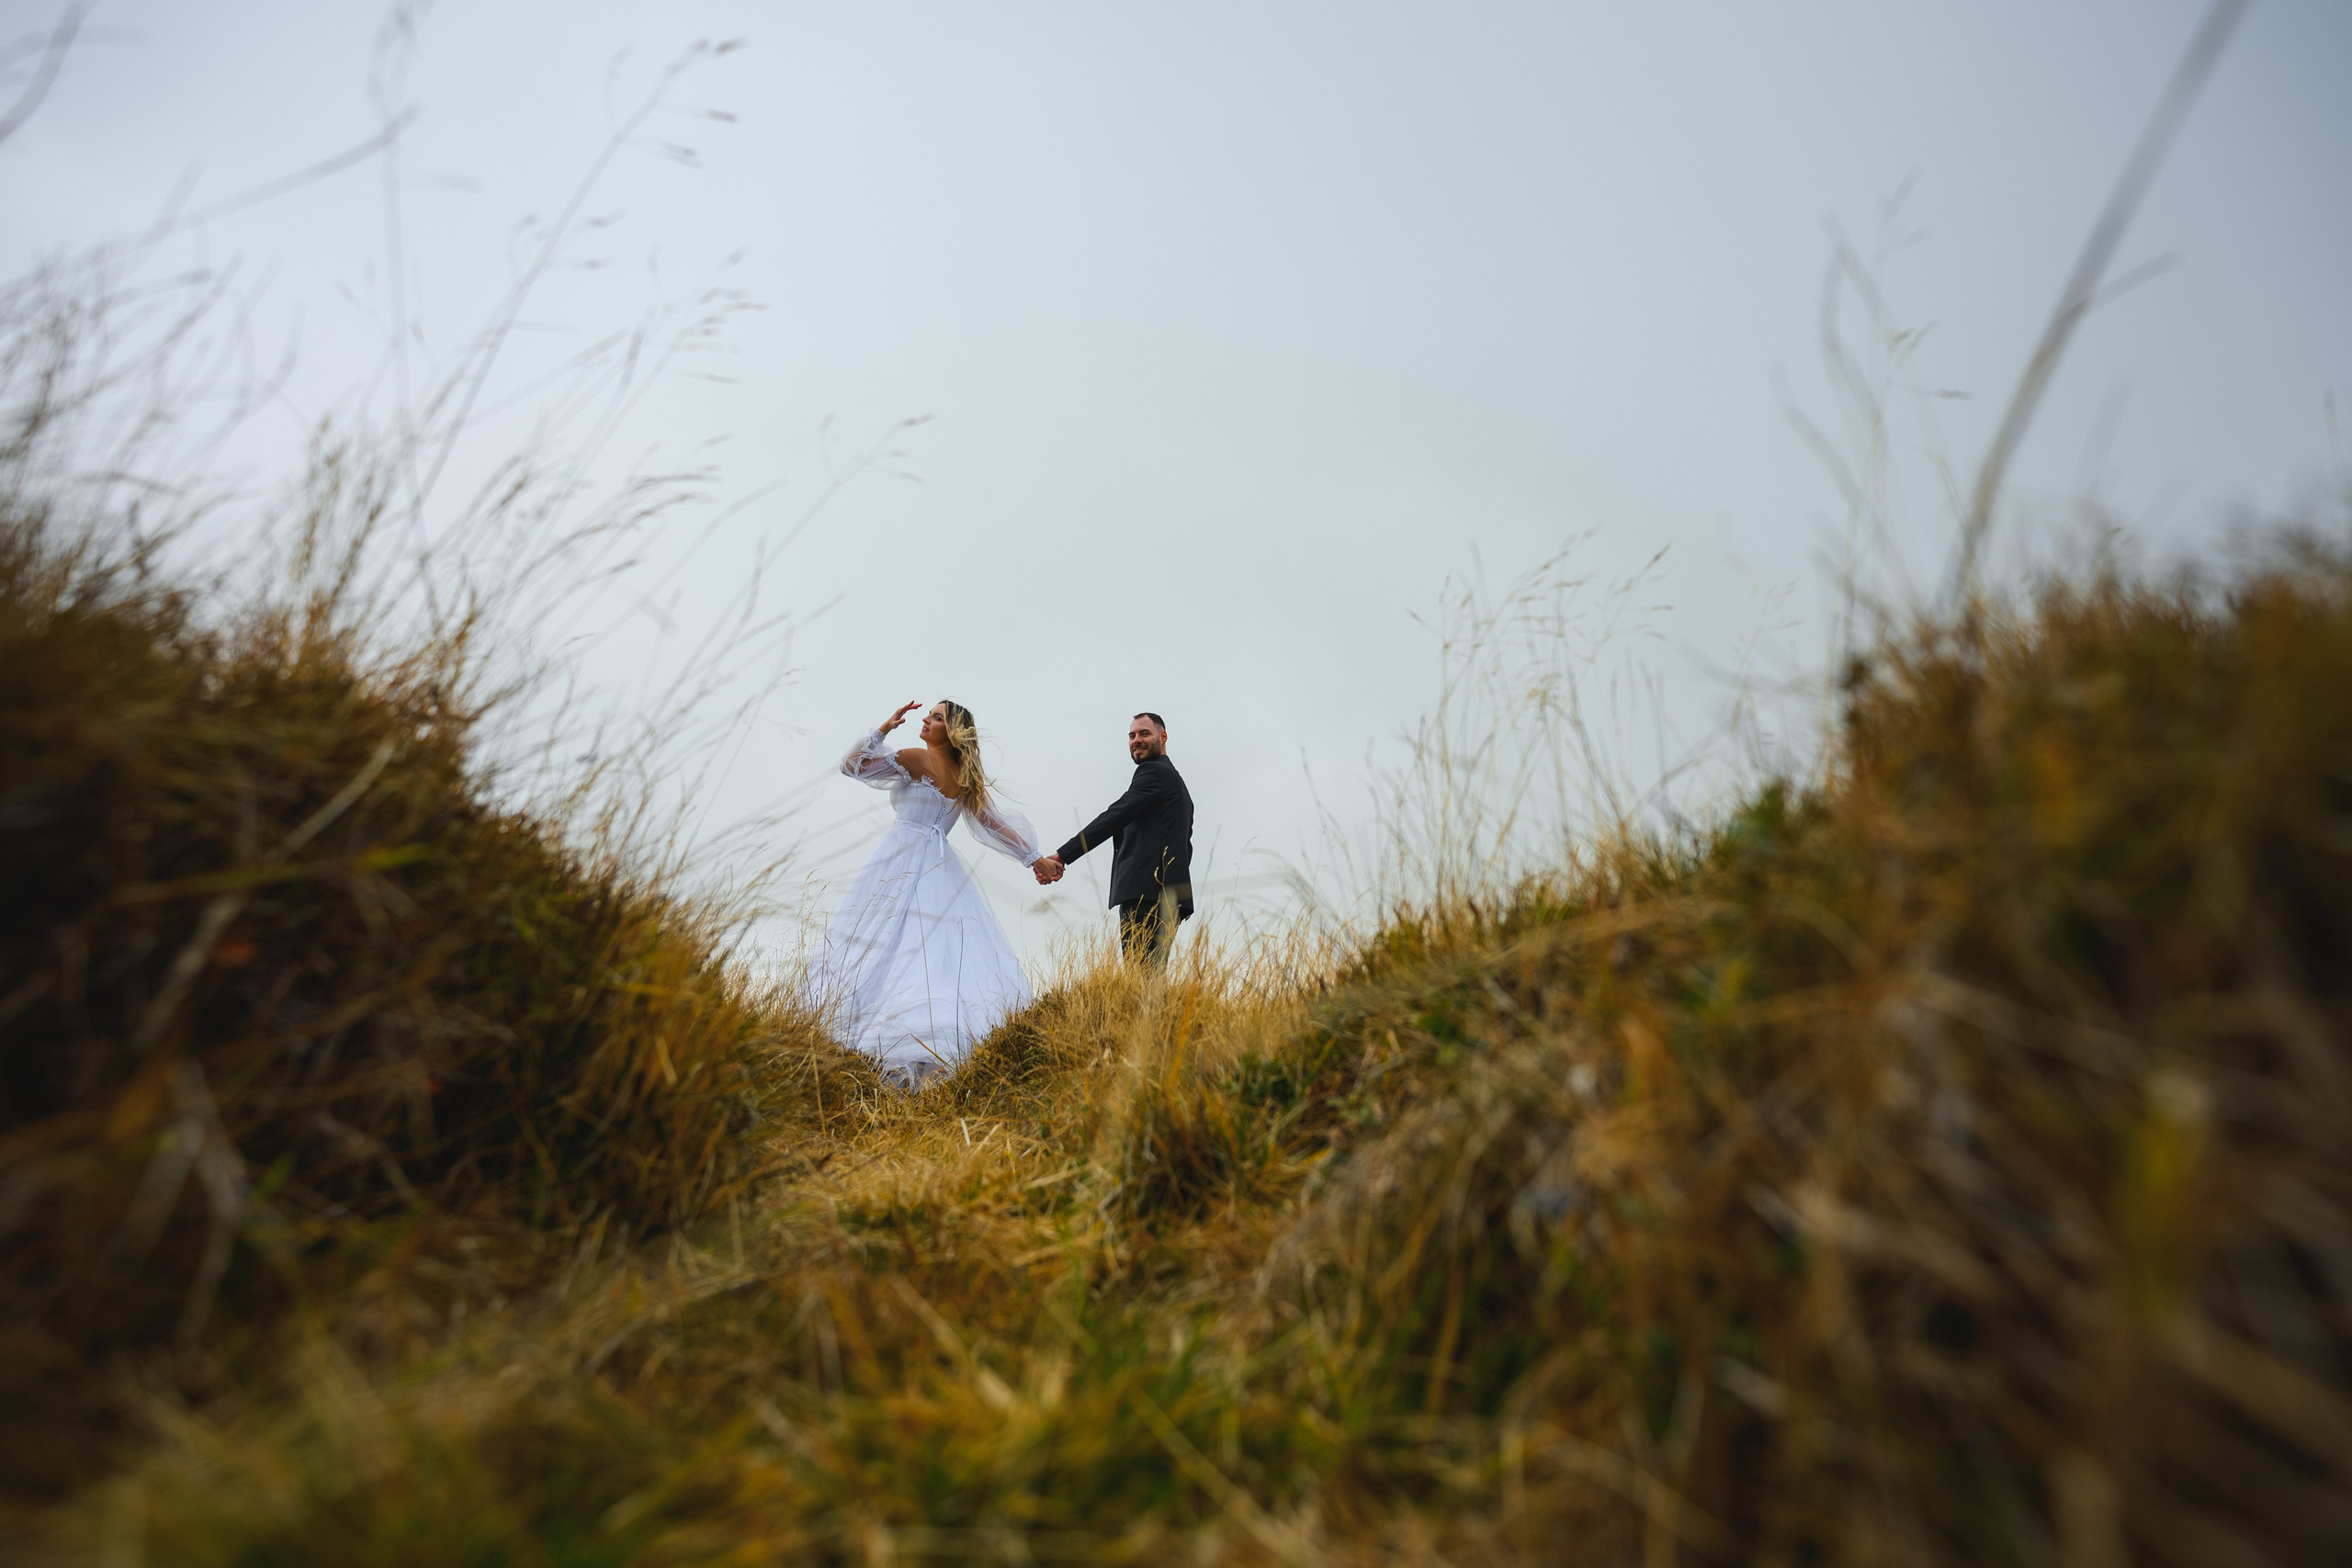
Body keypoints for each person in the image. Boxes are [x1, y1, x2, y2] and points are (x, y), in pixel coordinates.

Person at [813, 699, 1046, 1088]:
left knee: (882, 942)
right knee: (933, 951)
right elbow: (994, 825)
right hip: (939, 867)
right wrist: (1035, 859)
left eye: (936, 718)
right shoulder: (964, 776)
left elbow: (852, 766)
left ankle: (888, 1042)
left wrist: (882, 730)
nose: (925, 719)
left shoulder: (917, 758)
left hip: (901, 857)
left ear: (952, 733)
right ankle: (926, 1051)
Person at [1032, 711, 1194, 971]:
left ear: (1163, 737)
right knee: (1150, 977)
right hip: (1166, 896)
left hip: (1146, 892)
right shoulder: (1177, 785)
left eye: (1144, 733)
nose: (1136, 740)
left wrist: (1063, 855)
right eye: (1131, 735)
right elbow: (1185, 844)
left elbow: (1114, 817)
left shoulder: (1153, 772)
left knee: (1138, 977)